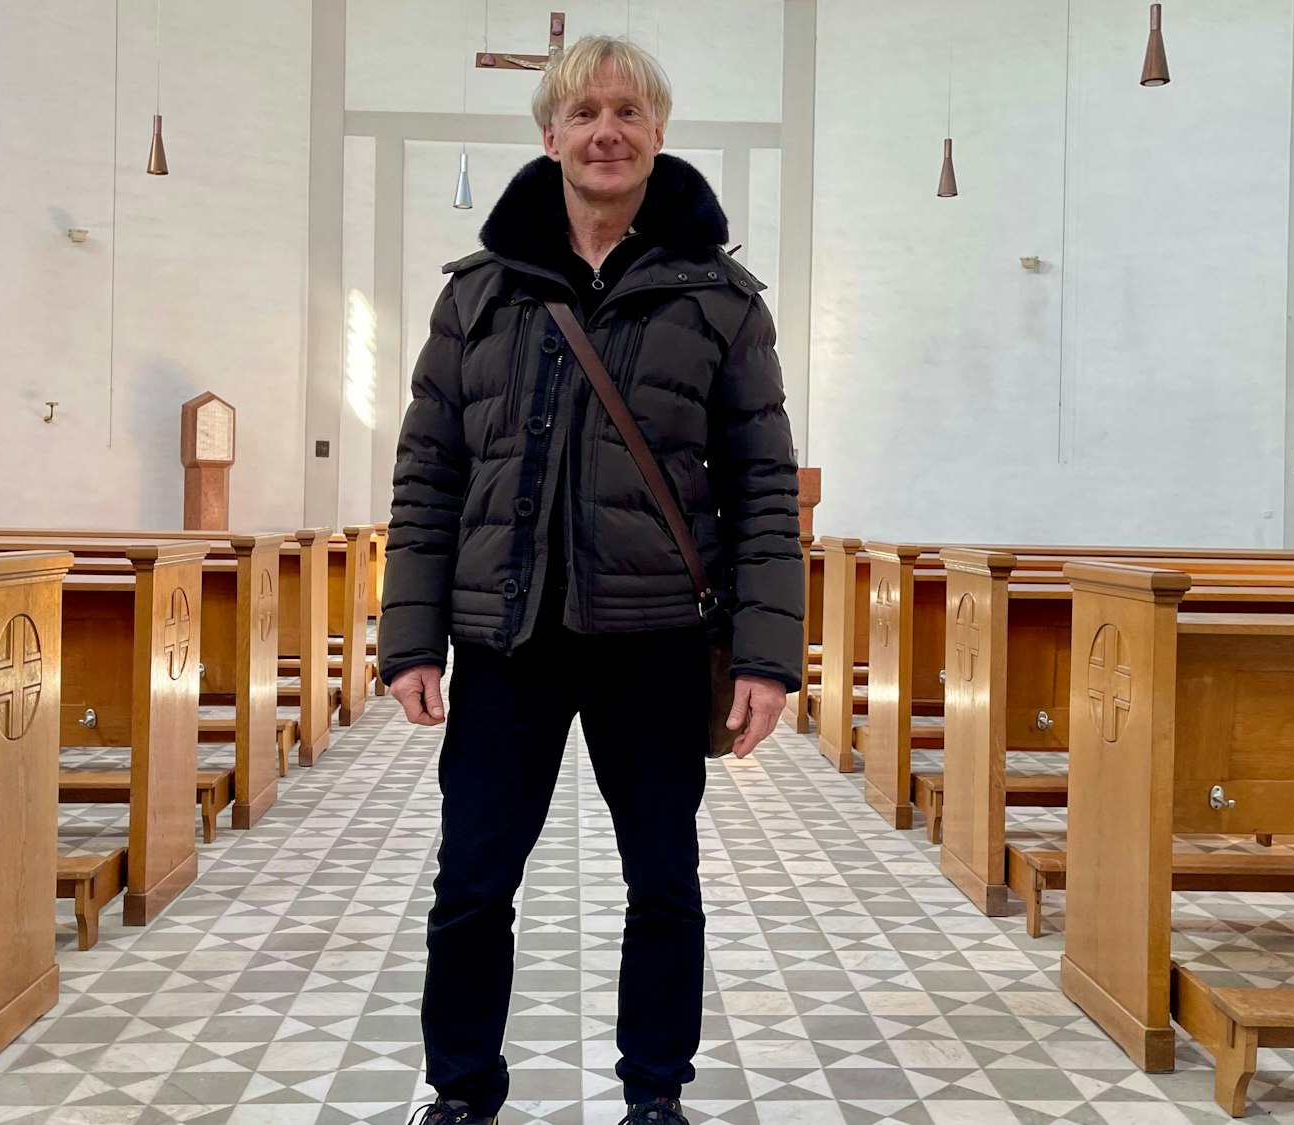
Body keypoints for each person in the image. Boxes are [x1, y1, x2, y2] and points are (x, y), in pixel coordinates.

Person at [378, 33, 803, 1125]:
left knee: (661, 885)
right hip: (509, 635)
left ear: (657, 133)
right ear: (550, 135)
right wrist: (411, 639)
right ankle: (463, 1094)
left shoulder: (719, 300)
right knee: (472, 885)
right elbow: (428, 475)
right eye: (582, 112)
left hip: (656, 638)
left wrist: (763, 656)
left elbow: (761, 488)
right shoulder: (475, 298)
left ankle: (653, 1093)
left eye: (626, 111)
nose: (604, 130)